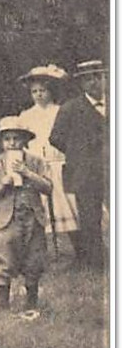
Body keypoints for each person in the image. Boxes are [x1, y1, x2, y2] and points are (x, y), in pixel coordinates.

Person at [0, 116, 51, 319]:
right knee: (5, 257)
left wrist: (27, 173)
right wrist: (2, 185)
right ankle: (3, 303)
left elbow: (48, 187)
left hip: (32, 216)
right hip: (7, 218)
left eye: (17, 138)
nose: (12, 143)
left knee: (34, 258)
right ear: (1, 142)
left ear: (25, 140)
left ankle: (32, 302)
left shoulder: (35, 161)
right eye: (7, 139)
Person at [50, 59, 108, 269]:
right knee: (90, 218)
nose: (93, 83)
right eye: (87, 79)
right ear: (82, 84)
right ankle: (96, 263)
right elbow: (55, 138)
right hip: (86, 172)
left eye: (97, 77)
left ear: (105, 78)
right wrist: (80, 151)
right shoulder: (70, 109)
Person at [17, 65, 79, 249]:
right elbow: (22, 141)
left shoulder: (60, 111)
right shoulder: (26, 115)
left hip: (59, 162)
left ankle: (79, 247)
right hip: (38, 167)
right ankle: (45, 251)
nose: (38, 95)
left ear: (51, 91)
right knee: (40, 210)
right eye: (34, 91)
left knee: (68, 205)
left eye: (42, 90)